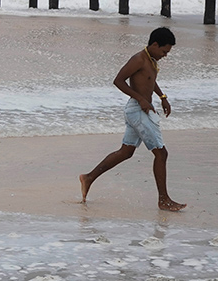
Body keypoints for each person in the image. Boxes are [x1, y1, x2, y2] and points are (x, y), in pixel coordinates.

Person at [79, 27, 186, 211]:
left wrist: (162, 97)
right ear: (154, 44)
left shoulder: (151, 60)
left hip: (138, 109)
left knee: (126, 152)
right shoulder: (139, 59)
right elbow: (118, 80)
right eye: (164, 51)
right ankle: (164, 200)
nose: (165, 55)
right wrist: (141, 99)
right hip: (137, 111)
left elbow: (150, 80)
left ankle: (88, 177)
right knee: (161, 153)